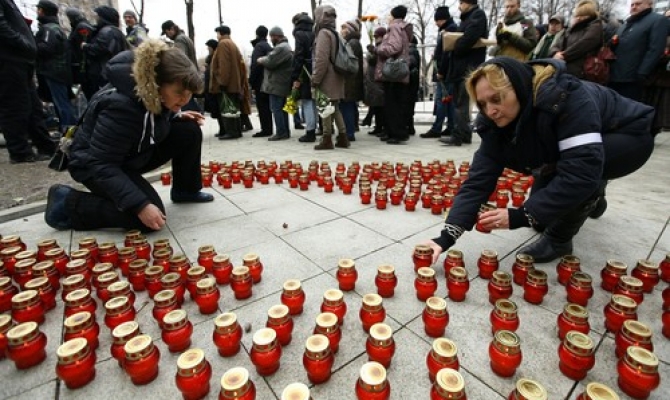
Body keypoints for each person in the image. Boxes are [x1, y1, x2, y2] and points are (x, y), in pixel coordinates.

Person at [421, 57, 655, 264]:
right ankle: (593, 194)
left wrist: (520, 215)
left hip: (627, 136)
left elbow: (580, 171)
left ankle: (559, 240)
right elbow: (477, 182)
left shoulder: (565, 97)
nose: (490, 111)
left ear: (518, 88)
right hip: (582, 147)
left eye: (497, 99)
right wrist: (446, 237)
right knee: (541, 217)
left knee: (579, 177)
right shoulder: (493, 125)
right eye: (482, 104)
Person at [45, 39, 213, 232]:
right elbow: (101, 163)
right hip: (94, 165)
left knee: (188, 130)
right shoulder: (120, 107)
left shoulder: (153, 94)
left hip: (128, 154)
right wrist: (140, 205)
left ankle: (185, 190)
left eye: (189, 94)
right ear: (157, 83)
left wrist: (175, 114)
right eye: (179, 93)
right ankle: (67, 203)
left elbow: (148, 118)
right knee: (148, 218)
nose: (184, 100)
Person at [0, 0, 56, 163]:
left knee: (32, 106)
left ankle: (45, 146)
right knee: (15, 106)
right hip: (9, 60)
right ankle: (19, 151)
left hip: (20, 60)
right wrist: (22, 42)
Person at [441, 0, 488, 147]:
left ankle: (458, 135)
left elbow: (469, 38)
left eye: (461, 2)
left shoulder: (477, 15)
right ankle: (465, 134)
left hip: (468, 66)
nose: (459, 6)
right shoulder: (468, 18)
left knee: (461, 103)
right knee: (460, 102)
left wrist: (454, 46)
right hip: (461, 67)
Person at [609, 0, 668, 102]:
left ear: (650, 4)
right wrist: (613, 43)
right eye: (632, 4)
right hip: (616, 74)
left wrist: (642, 72)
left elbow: (655, 49)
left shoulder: (658, 20)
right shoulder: (628, 22)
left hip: (633, 78)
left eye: (638, 4)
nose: (634, 7)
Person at [370, 5, 413, 145]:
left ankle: (397, 134)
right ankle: (392, 132)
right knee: (397, 103)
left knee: (392, 104)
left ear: (394, 15)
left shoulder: (394, 27)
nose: (388, 17)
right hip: (400, 70)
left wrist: (378, 49)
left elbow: (394, 47)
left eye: (389, 15)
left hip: (393, 71)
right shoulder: (404, 28)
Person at [35, 0, 75, 132]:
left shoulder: (49, 29)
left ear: (43, 11)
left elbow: (46, 48)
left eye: (39, 9)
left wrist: (31, 44)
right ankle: (67, 128)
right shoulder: (54, 27)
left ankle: (69, 129)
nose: (37, 12)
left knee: (61, 102)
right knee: (60, 102)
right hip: (58, 71)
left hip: (54, 72)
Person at [312, 5, 348, 150]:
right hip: (337, 75)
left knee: (325, 106)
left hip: (327, 77)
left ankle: (327, 139)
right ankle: (343, 137)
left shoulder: (323, 34)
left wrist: (315, 79)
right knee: (335, 107)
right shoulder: (335, 33)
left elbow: (321, 60)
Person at [422, 6, 457, 139]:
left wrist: (441, 71)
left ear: (442, 19)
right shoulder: (449, 29)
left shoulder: (449, 30)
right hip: (448, 70)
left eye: (437, 20)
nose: (436, 23)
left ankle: (437, 128)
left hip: (445, 71)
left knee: (441, 100)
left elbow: (447, 53)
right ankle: (451, 127)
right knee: (448, 101)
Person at [81, 6, 128, 100]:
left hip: (104, 73)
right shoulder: (115, 31)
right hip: (111, 72)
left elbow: (99, 49)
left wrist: (85, 46)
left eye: (97, 16)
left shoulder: (107, 31)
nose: (96, 19)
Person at [209, 25, 246, 140]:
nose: (217, 36)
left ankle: (231, 132)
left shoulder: (223, 44)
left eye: (217, 33)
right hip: (234, 83)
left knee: (227, 108)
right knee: (234, 108)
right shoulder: (232, 44)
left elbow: (224, 64)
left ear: (220, 33)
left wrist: (222, 82)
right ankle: (237, 130)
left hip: (227, 84)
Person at [257, 26, 293, 141]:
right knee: (282, 109)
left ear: (276, 36)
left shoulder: (281, 48)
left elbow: (270, 62)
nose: (270, 39)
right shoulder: (285, 46)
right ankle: (285, 131)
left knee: (276, 108)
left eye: (271, 37)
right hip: (282, 82)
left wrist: (261, 60)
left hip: (277, 83)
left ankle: (281, 132)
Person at [551, 1, 603, 80]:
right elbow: (556, 44)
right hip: (564, 69)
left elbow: (584, 44)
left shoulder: (595, 27)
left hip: (581, 73)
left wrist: (564, 55)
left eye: (582, 15)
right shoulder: (570, 30)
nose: (579, 18)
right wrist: (556, 53)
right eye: (578, 15)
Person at [291, 12, 318, 143]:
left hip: (305, 71)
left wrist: (295, 75)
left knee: (306, 101)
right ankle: (315, 128)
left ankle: (310, 131)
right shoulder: (314, 32)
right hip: (315, 69)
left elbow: (298, 55)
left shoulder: (299, 34)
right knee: (313, 101)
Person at [340, 19, 364, 142]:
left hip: (350, 80)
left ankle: (349, 133)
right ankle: (350, 130)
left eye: (344, 28)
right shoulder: (352, 42)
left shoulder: (352, 43)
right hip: (351, 80)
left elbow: (349, 62)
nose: (341, 31)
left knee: (347, 106)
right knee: (348, 105)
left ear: (349, 30)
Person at [249, 25, 273, 138]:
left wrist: (251, 81)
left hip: (260, 81)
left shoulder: (259, 47)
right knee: (267, 106)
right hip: (268, 80)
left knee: (262, 106)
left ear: (257, 34)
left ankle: (266, 129)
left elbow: (255, 65)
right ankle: (268, 128)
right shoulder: (268, 46)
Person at [363, 27, 387, 137]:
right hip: (374, 79)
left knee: (380, 106)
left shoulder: (382, 47)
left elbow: (374, 61)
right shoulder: (378, 47)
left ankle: (380, 127)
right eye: (375, 36)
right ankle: (378, 126)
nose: (376, 38)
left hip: (378, 79)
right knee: (376, 105)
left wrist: (371, 52)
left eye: (377, 36)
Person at [65, 7, 94, 86]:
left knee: (88, 87)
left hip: (84, 65)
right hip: (82, 64)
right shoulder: (77, 26)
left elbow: (83, 45)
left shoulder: (82, 27)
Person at [203, 39, 220, 126]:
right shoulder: (210, 59)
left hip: (214, 88)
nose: (208, 49)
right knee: (215, 110)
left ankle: (223, 129)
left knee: (218, 110)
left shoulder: (215, 58)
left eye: (209, 47)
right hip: (210, 88)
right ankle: (222, 129)